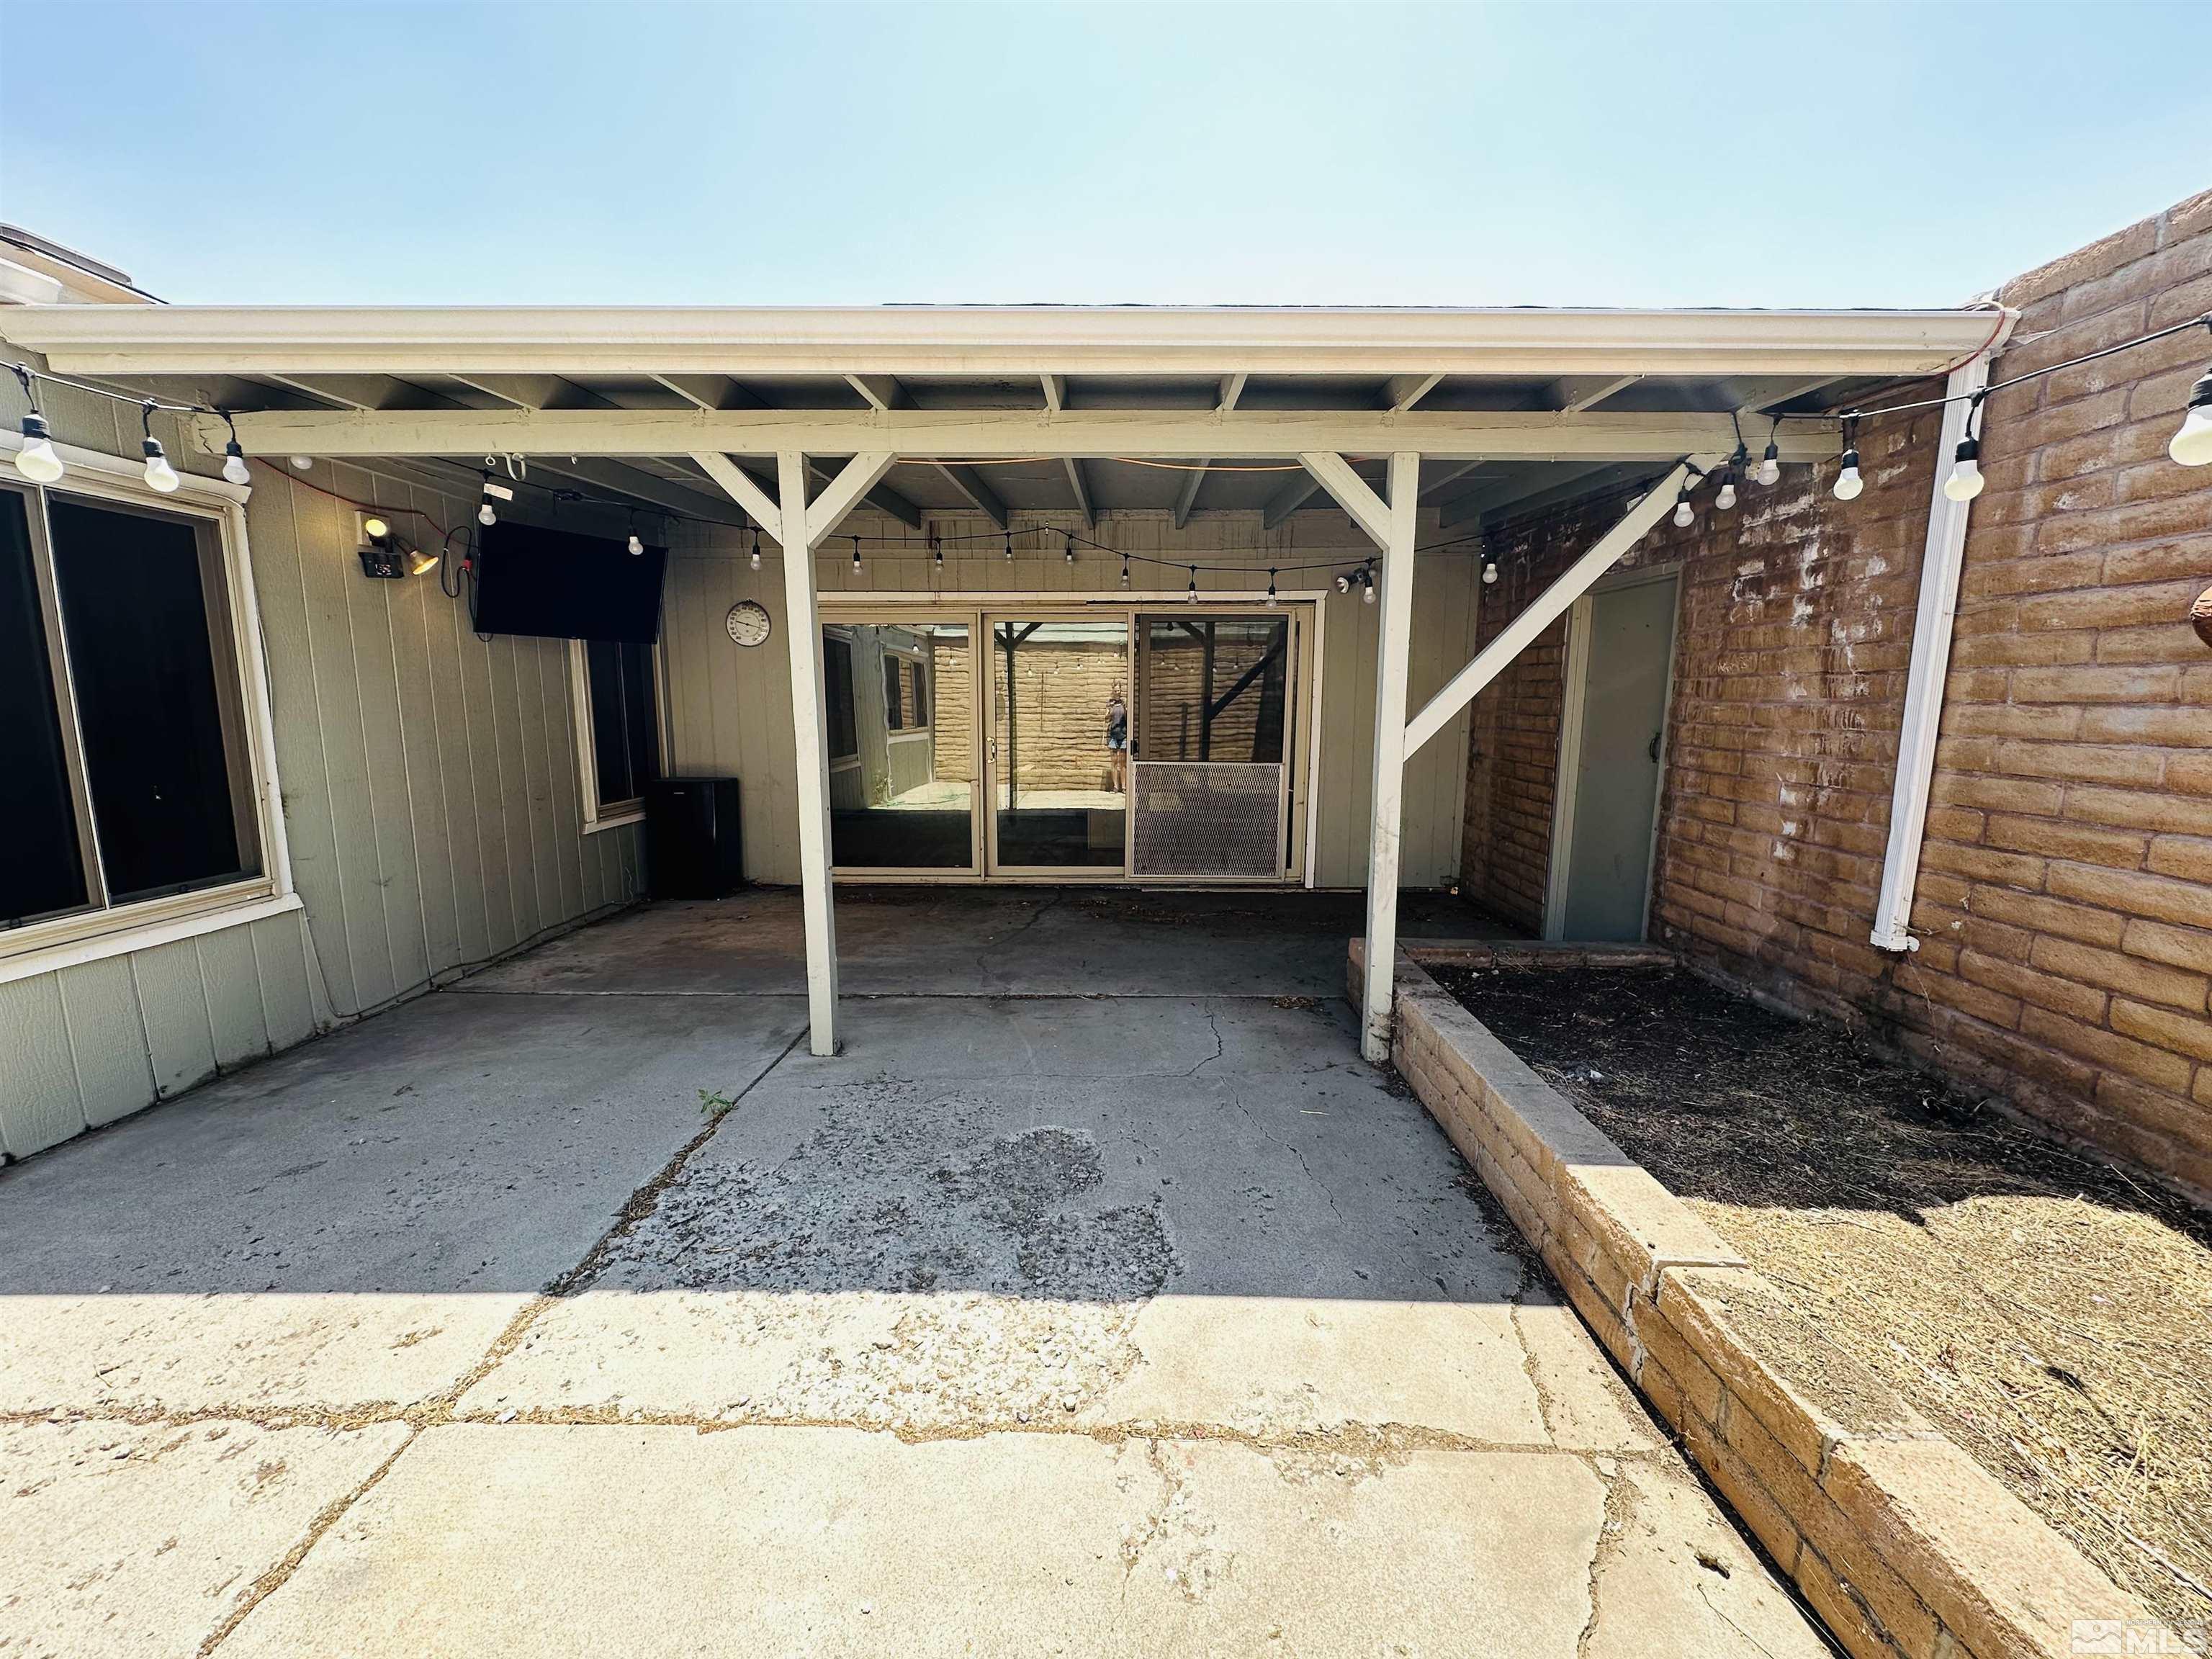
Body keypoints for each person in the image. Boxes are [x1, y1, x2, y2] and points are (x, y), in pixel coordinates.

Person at [1105, 688, 1128, 792]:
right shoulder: (1110, 704)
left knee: (1123, 762)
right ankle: (1115, 786)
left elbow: (1128, 718)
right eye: (1115, 691)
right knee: (1114, 762)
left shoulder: (1125, 704)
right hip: (1113, 735)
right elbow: (1106, 719)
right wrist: (1110, 711)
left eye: (1118, 690)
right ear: (1113, 692)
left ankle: (1124, 787)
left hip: (1124, 735)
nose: (1117, 692)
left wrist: (1125, 707)